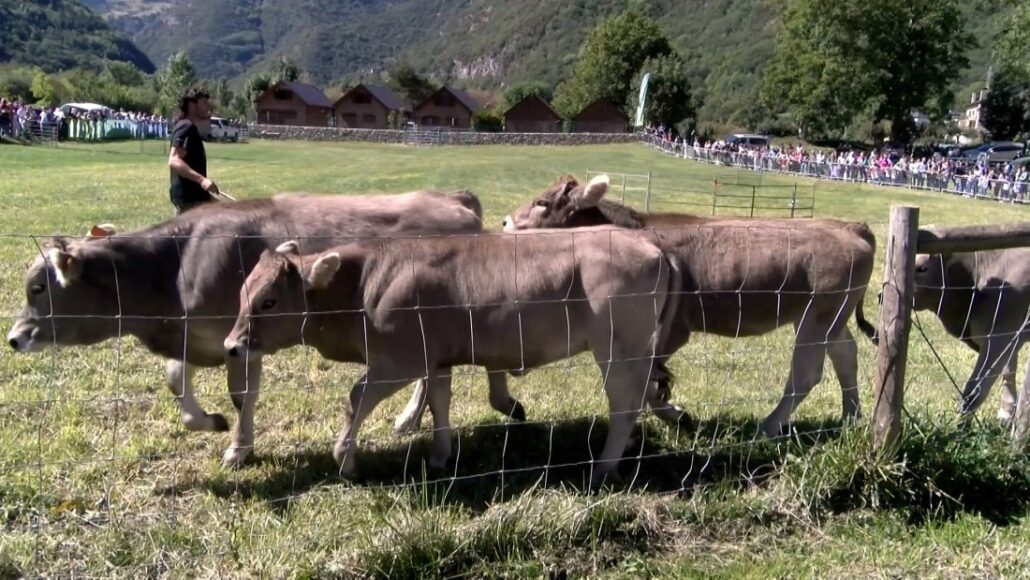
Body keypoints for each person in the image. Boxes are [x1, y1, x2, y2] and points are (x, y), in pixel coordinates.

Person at [168, 85, 221, 213]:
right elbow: (174, 160)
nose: (208, 107)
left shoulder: (187, 126)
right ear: (192, 105)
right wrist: (202, 180)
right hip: (191, 201)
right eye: (204, 103)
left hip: (197, 197)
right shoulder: (187, 127)